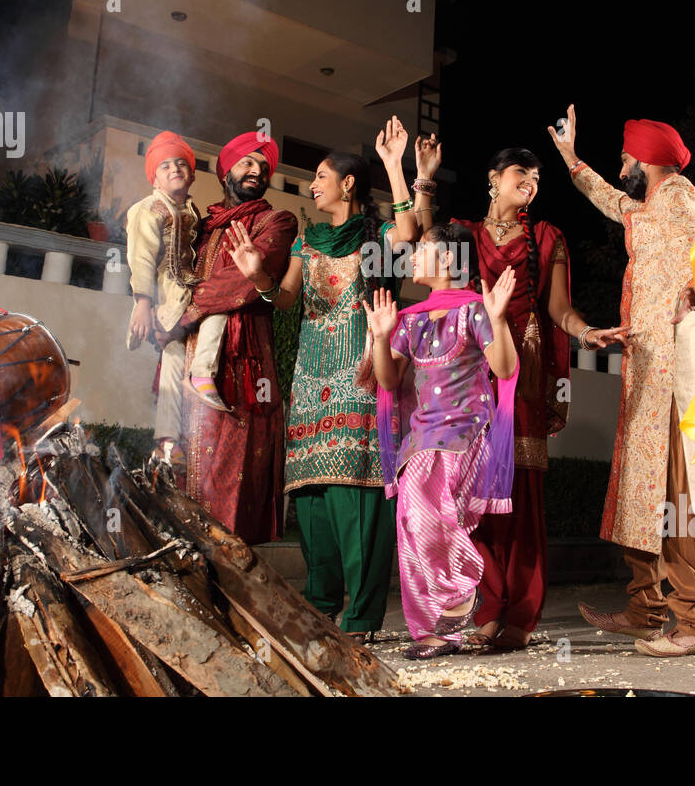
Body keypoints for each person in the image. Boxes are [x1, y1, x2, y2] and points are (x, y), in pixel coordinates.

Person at [226, 117, 438, 640]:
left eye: (321, 175)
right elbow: (290, 298)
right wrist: (259, 278)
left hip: (361, 375)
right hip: (312, 375)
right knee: (314, 495)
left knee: (359, 494)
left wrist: (393, 164)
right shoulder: (307, 241)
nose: (313, 183)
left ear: (347, 185)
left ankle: (362, 616)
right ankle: (320, 604)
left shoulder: (375, 236)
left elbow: (411, 232)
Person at [434, 147, 626, 649]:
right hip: (471, 365)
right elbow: (411, 239)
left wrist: (587, 335)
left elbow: (559, 309)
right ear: (494, 179)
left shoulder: (548, 238)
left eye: (539, 176)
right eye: (523, 172)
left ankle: (519, 611)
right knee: (470, 491)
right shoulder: (463, 234)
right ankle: (483, 609)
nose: (533, 181)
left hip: (524, 370)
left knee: (518, 493)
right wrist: (416, 177)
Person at [549, 105, 695, 657]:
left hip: (675, 363)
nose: (621, 166)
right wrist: (571, 158)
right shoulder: (647, 208)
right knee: (640, 489)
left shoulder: (683, 197)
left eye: (625, 157)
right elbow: (608, 197)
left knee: (678, 489)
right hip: (646, 362)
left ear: (646, 159)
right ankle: (647, 608)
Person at [365, 223, 519, 659]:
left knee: (422, 508)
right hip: (422, 438)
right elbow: (388, 378)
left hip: (464, 433)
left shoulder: (475, 310)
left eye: (421, 251)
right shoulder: (410, 319)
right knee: (410, 525)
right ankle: (436, 630)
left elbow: (505, 370)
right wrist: (379, 338)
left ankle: (460, 591)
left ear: (449, 258)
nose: (411, 259)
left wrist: (499, 318)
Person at [162, 131, 297, 544]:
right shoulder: (200, 226)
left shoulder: (275, 221)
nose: (256, 170)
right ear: (226, 172)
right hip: (189, 352)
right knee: (181, 460)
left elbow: (241, 280)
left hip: (245, 359)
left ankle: (236, 573)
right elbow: (170, 270)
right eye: (246, 163)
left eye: (263, 166)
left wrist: (180, 314)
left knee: (238, 463)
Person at [126, 131, 229, 477]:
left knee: (176, 353)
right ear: (154, 176)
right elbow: (140, 258)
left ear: (192, 173)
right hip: (169, 297)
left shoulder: (190, 209)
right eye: (165, 165)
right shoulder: (147, 208)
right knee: (215, 309)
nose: (174, 169)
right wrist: (142, 303)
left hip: (187, 290)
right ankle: (199, 379)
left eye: (181, 164)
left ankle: (169, 439)